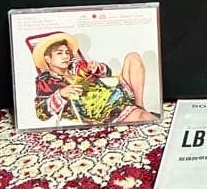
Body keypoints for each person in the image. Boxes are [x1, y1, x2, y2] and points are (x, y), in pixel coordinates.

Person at [29, 31, 158, 124]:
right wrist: (61, 94)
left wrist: (97, 68)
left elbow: (108, 72)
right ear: (48, 59)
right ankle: (137, 111)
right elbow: (41, 113)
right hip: (105, 109)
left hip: (117, 93)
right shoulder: (46, 81)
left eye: (67, 53)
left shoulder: (77, 67)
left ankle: (139, 105)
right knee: (146, 118)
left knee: (133, 57)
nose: (65, 56)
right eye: (59, 53)